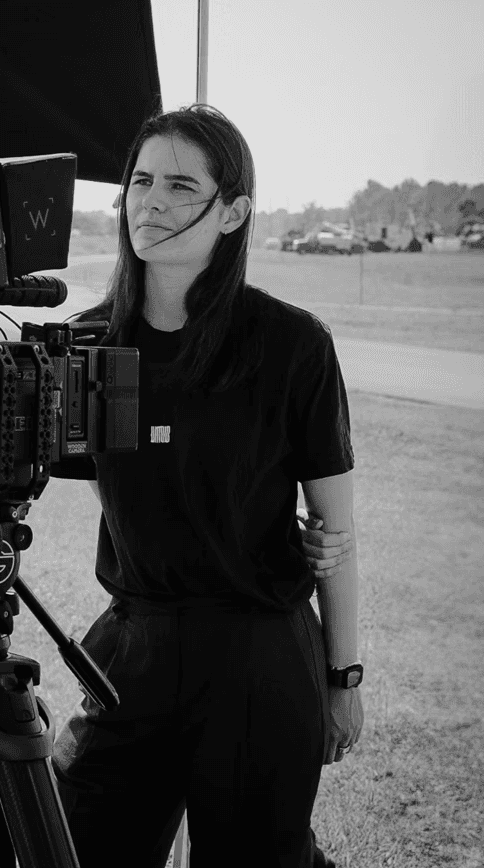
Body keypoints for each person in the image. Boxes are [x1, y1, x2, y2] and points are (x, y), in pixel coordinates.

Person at [49, 104, 363, 868]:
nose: (151, 202)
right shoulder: (89, 343)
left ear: (232, 212)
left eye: (180, 186)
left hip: (258, 655)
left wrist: (343, 675)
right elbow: (122, 499)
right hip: (134, 647)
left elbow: (335, 532)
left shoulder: (291, 344)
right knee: (75, 849)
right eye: (140, 181)